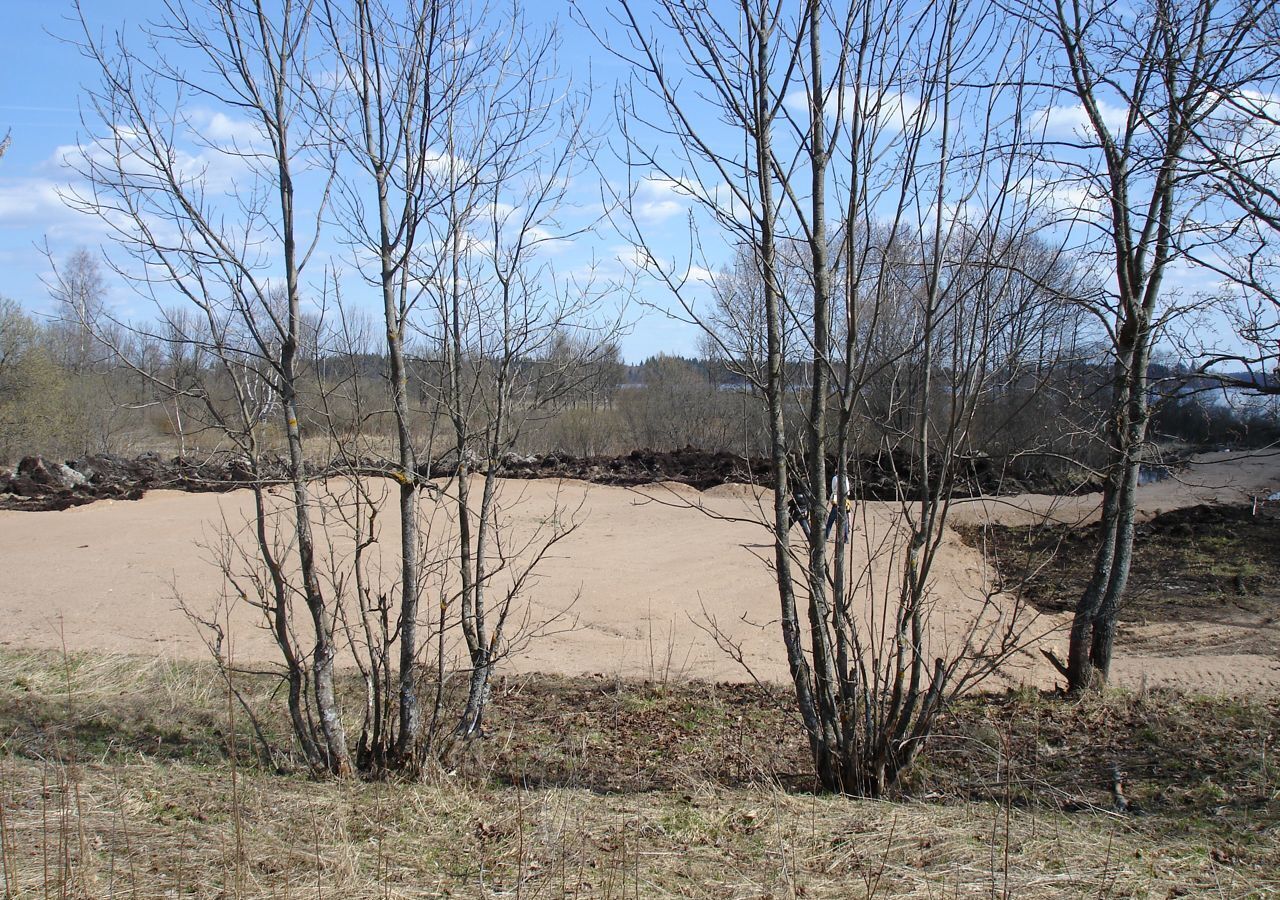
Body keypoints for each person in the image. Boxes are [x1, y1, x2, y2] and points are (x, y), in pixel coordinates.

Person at [824, 470, 853, 540]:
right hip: (845, 499)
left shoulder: (835, 478)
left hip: (836, 500)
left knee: (830, 521)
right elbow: (848, 491)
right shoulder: (846, 478)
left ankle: (826, 536)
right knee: (844, 520)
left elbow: (833, 489)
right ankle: (846, 538)